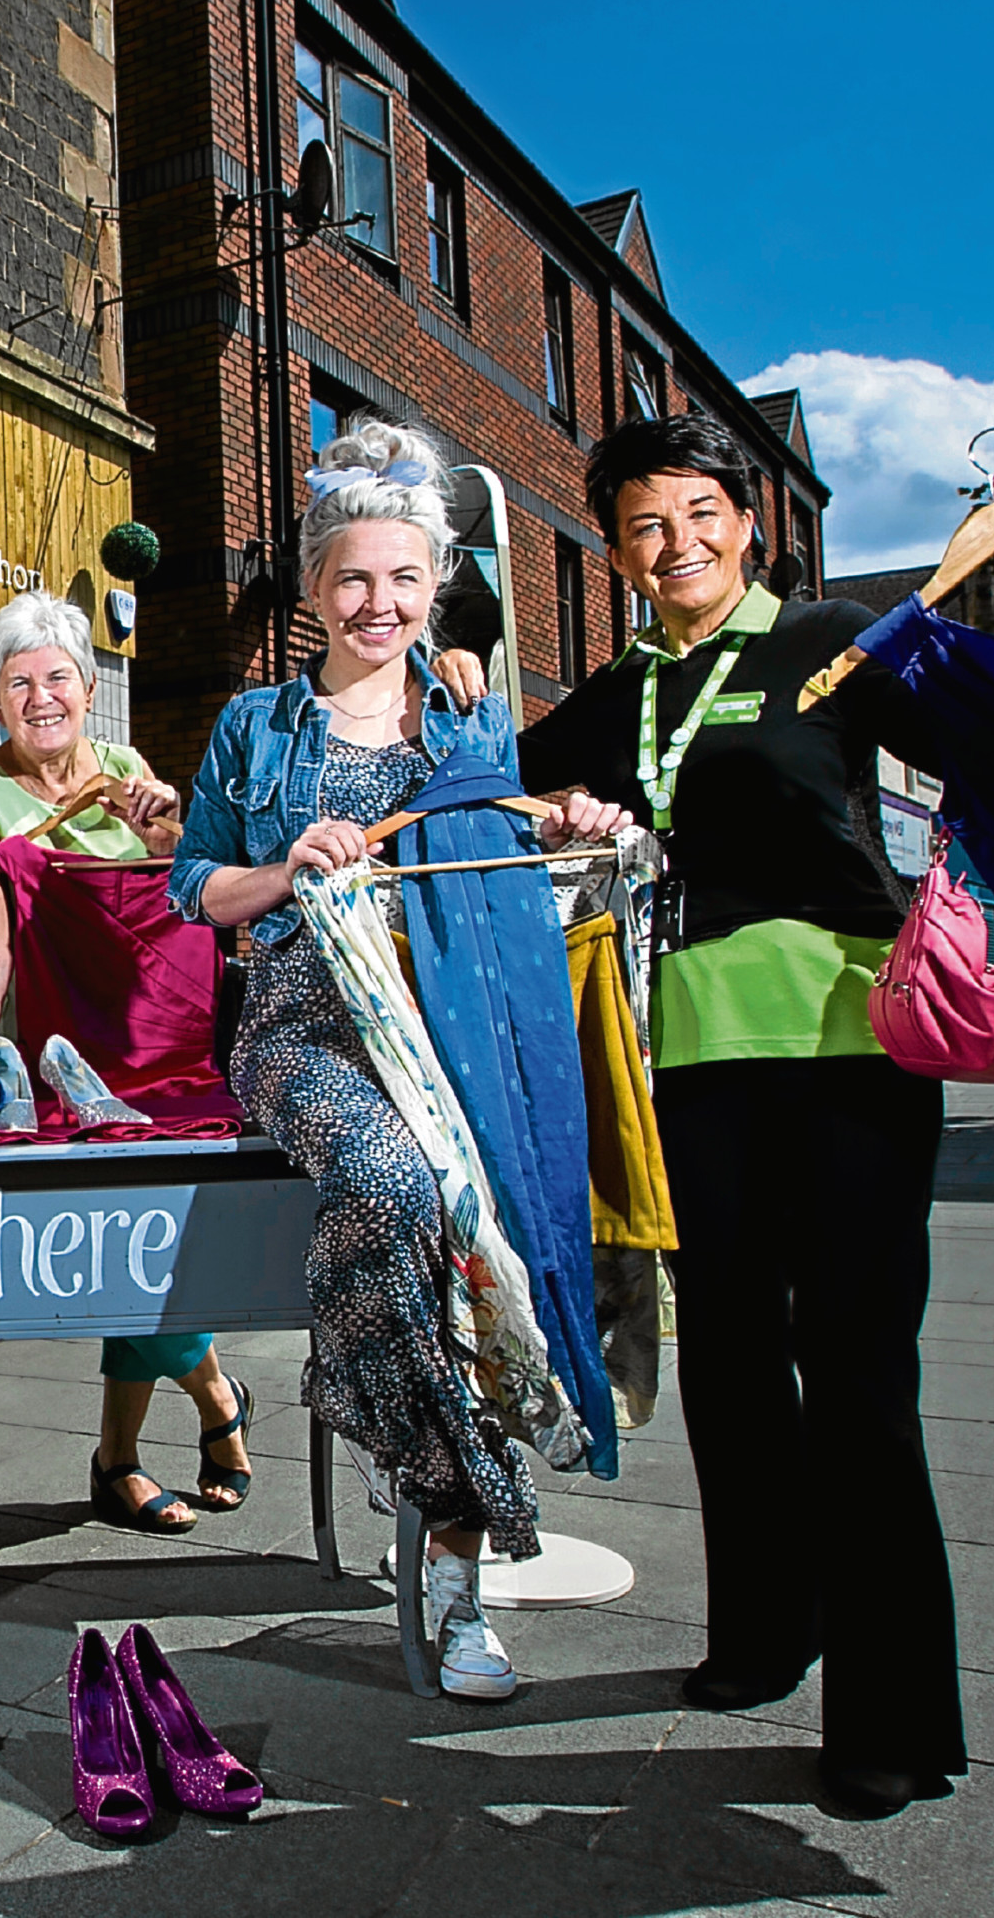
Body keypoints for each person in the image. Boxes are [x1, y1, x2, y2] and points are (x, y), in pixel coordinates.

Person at [439, 413, 994, 1805]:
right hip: (693, 1061)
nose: (676, 543)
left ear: (746, 521)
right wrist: (456, 691)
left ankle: (892, 1718)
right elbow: (484, 780)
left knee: (861, 1374)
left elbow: (984, 711)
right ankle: (768, 1629)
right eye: (645, 525)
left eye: (699, 513)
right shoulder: (626, 685)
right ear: (619, 551)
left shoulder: (829, 637)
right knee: (733, 1369)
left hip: (848, 1043)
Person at [169, 420, 623, 1697]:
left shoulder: (467, 720)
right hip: (301, 1031)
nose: (380, 602)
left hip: (444, 1033)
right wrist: (285, 865)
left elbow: (512, 857)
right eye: (354, 578)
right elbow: (191, 886)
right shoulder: (256, 728)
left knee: (474, 1245)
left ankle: (456, 1569)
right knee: (396, 1188)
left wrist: (571, 814)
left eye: (406, 579)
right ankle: (447, 1507)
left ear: (437, 586)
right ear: (313, 588)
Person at [0, 591, 253, 1533]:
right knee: (130, 1250)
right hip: (71, 1059)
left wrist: (166, 836)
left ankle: (118, 1459)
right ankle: (213, 1401)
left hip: (166, 1045)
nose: (42, 697)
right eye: (19, 681)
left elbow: (189, 899)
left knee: (152, 1249)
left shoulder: (126, 769)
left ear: (87, 689)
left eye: (59, 678)